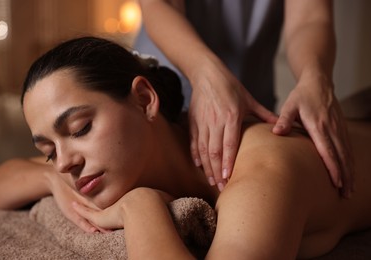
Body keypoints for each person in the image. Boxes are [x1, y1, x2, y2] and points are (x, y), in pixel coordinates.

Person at [0, 37, 370, 259]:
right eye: (49, 149)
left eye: (80, 128)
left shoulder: (262, 170)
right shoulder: (82, 162)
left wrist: (140, 207)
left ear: (145, 100)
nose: (66, 162)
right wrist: (50, 178)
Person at [135, 0, 354, 197]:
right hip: (166, 85)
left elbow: (309, 17)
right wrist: (204, 72)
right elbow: (159, 4)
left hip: (253, 103)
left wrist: (315, 77)